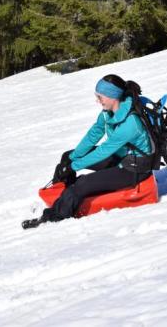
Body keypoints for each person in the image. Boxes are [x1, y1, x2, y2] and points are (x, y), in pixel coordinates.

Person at [22, 74, 154, 229]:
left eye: (100, 96)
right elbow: (94, 134)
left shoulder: (131, 124)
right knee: (67, 157)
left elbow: (104, 151)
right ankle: (65, 196)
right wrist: (71, 159)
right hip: (120, 157)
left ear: (112, 96)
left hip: (133, 169)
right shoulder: (108, 113)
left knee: (82, 182)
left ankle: (52, 217)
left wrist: (73, 167)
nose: (97, 100)